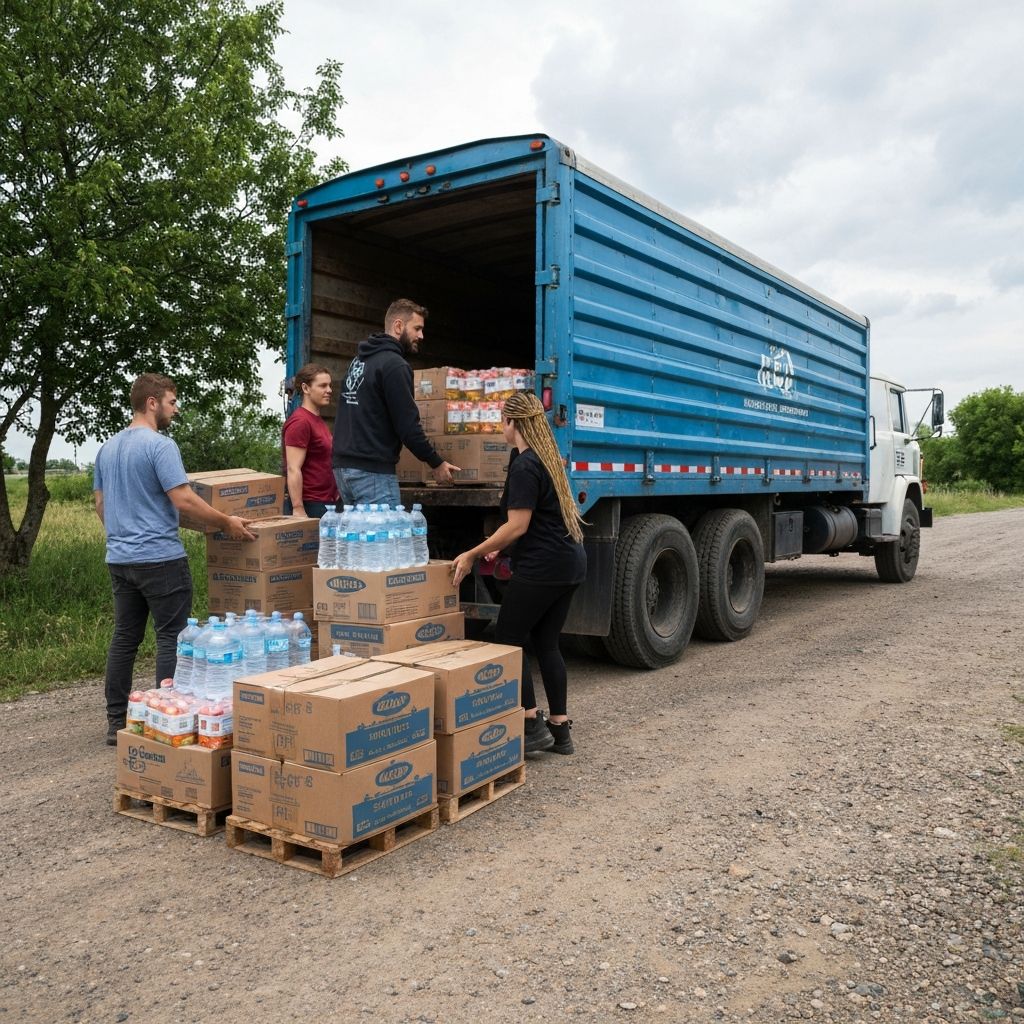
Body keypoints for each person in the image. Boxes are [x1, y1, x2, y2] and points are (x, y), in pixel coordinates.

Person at [93, 373, 255, 746]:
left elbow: (102, 504)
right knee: (171, 637)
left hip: (120, 559)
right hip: (161, 560)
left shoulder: (107, 448)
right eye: (172, 401)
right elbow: (181, 499)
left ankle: (116, 720)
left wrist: (125, 534)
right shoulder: (161, 446)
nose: (175, 409)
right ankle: (167, 720)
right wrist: (225, 521)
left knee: (124, 639)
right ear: (152, 403)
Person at [451, 391, 587, 755]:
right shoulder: (544, 459)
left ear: (512, 423)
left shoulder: (527, 466)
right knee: (546, 643)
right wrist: (500, 544)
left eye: (503, 420)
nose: (502, 427)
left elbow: (520, 524)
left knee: (509, 638)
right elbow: (535, 520)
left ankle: (530, 724)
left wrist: (473, 553)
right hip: (569, 562)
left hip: (544, 567)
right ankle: (560, 730)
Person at [332, 298, 459, 507]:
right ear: (398, 326)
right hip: (372, 474)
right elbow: (408, 427)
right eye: (417, 328)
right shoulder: (395, 365)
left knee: (360, 540)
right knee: (384, 539)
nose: (421, 335)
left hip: (343, 470)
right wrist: (436, 462)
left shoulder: (359, 361)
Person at [282, 363, 340, 518]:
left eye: (329, 385)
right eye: (322, 386)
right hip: (311, 506)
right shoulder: (300, 422)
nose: (329, 390)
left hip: (326, 504)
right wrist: (298, 509)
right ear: (306, 388)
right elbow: (293, 468)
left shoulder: (317, 420)